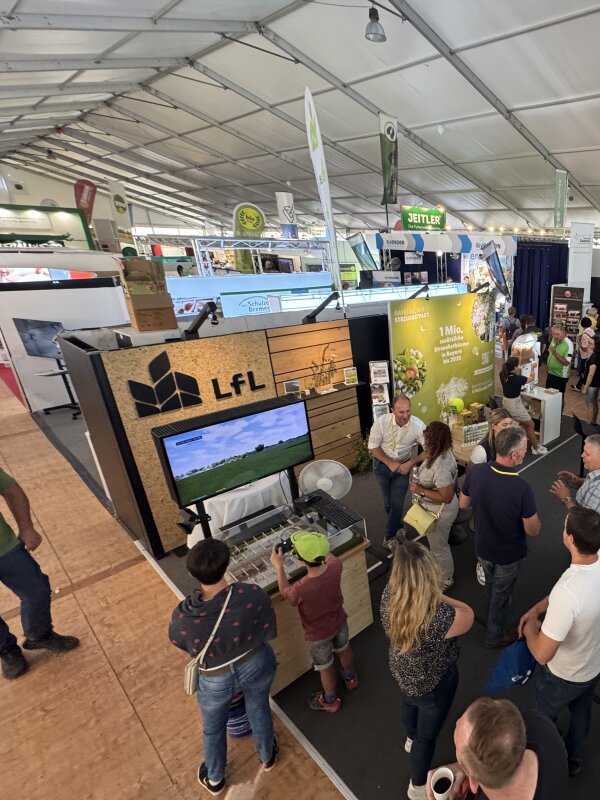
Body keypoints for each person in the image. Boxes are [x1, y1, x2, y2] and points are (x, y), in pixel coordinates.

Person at [169, 539, 278, 796]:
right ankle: (267, 756)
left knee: (213, 726)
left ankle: (215, 777)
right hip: (255, 662)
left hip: (214, 677)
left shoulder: (184, 614)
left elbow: (179, 640)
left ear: (191, 574)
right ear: (227, 564)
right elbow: (267, 625)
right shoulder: (250, 594)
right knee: (259, 707)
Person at [380, 539, 474, 800]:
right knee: (427, 738)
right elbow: (467, 613)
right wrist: (434, 593)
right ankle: (418, 786)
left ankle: (410, 737)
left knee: (409, 704)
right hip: (434, 682)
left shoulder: (389, 595)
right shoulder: (440, 616)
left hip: (402, 671)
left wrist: (421, 591)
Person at [518, 506, 600, 776]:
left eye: (565, 527)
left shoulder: (568, 592)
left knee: (540, 717)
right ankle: (574, 758)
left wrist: (531, 628)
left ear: (570, 539)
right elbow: (561, 593)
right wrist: (538, 609)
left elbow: (542, 654)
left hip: (564, 674)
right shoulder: (592, 564)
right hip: (592, 666)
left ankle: (544, 763)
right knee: (581, 711)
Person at [459, 427, 541, 648]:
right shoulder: (522, 488)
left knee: (492, 584)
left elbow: (463, 504)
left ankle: (493, 607)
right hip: (508, 555)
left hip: (483, 547)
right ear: (514, 455)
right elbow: (533, 530)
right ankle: (494, 636)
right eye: (524, 449)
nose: (525, 452)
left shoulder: (477, 471)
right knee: (501, 594)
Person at [0, 468, 79, 680]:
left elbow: (11, 490)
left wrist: (26, 528)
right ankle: (7, 651)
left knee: (37, 590)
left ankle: (39, 635)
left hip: (4, 548)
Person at [270, 530, 357, 713]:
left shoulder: (299, 589)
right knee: (344, 649)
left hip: (317, 634)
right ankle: (351, 678)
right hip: (339, 621)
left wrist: (278, 566)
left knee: (325, 667)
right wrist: (310, 542)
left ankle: (330, 700)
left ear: (301, 560)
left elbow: (285, 593)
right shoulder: (335, 565)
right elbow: (326, 554)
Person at [426, 697, 567, 799]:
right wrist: (465, 767)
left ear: (473, 783)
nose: (457, 722)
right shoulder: (540, 726)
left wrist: (469, 767)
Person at [368, 394, 426, 550]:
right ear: (392, 410)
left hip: (403, 468)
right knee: (388, 504)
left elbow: (429, 450)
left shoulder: (418, 425)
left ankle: (389, 537)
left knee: (397, 504)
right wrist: (389, 462)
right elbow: (373, 448)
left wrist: (411, 463)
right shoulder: (381, 423)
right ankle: (399, 527)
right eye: (401, 412)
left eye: (408, 411)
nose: (405, 415)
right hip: (381, 467)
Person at [467, 408, 515, 587]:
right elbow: (471, 476)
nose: (508, 428)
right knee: (484, 532)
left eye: (510, 424)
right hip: (485, 498)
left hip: (501, 495)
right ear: (493, 426)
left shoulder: (509, 443)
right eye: (504, 425)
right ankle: (482, 563)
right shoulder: (481, 451)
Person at [408, 421, 459, 587]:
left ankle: (445, 579)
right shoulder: (441, 451)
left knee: (440, 548)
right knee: (436, 544)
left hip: (440, 512)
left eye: (427, 437)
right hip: (435, 508)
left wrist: (420, 490)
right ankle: (438, 566)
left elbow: (446, 497)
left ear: (434, 440)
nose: (424, 440)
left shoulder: (441, 466)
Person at [499, 356, 546, 455]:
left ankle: (517, 442)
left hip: (507, 401)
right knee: (531, 424)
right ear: (515, 367)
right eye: (518, 365)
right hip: (514, 404)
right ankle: (535, 448)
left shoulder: (502, 374)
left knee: (524, 424)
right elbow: (532, 378)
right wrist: (532, 368)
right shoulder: (517, 379)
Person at [550, 433, 600, 513]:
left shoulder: (598, 490)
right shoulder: (596, 471)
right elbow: (592, 482)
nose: (582, 455)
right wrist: (577, 480)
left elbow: (583, 519)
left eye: (587, 454)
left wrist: (566, 499)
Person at [545, 323, 573, 396]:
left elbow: (566, 363)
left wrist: (555, 353)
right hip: (550, 373)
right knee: (548, 395)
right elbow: (550, 353)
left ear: (564, 333)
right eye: (553, 334)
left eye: (557, 334)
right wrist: (548, 366)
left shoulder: (569, 344)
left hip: (560, 376)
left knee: (559, 397)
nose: (555, 336)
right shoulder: (553, 339)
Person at [572, 316, 595, 390]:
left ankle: (580, 386)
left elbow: (584, 348)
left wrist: (578, 342)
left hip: (586, 356)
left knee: (583, 372)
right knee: (586, 372)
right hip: (591, 355)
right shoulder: (592, 331)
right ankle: (580, 386)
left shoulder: (585, 334)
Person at [581, 337, 600, 424]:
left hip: (592, 385)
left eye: (590, 343)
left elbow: (591, 374)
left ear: (596, 345)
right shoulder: (598, 354)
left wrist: (585, 387)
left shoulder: (594, 357)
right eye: (588, 342)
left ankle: (588, 425)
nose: (588, 344)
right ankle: (593, 422)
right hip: (597, 383)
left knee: (590, 405)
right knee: (594, 403)